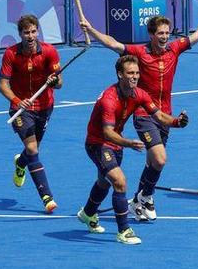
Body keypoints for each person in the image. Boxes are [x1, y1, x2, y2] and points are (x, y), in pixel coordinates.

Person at [79, 0, 198, 220]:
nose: (165, 37)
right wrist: (92, 30)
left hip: (164, 114)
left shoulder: (174, 49)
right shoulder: (139, 52)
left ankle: (139, 199)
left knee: (154, 161)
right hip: (144, 112)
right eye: (160, 33)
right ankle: (146, 196)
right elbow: (113, 43)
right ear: (151, 35)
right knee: (160, 158)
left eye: (167, 33)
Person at [77, 55, 188, 245]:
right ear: (120, 74)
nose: (135, 77)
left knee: (104, 182)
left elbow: (160, 116)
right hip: (98, 143)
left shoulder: (139, 94)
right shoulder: (109, 100)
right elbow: (107, 132)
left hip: (115, 144)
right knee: (119, 182)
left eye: (137, 73)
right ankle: (124, 231)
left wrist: (177, 122)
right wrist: (129, 143)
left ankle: (87, 213)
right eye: (130, 73)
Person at [0, 15, 62, 213]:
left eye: (34, 31)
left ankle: (20, 162)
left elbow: (59, 83)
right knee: (33, 150)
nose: (31, 36)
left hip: (45, 107)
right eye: (26, 32)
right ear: (20, 34)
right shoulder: (11, 54)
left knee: (31, 151)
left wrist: (54, 81)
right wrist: (18, 101)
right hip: (20, 109)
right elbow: (3, 85)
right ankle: (47, 197)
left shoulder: (50, 51)